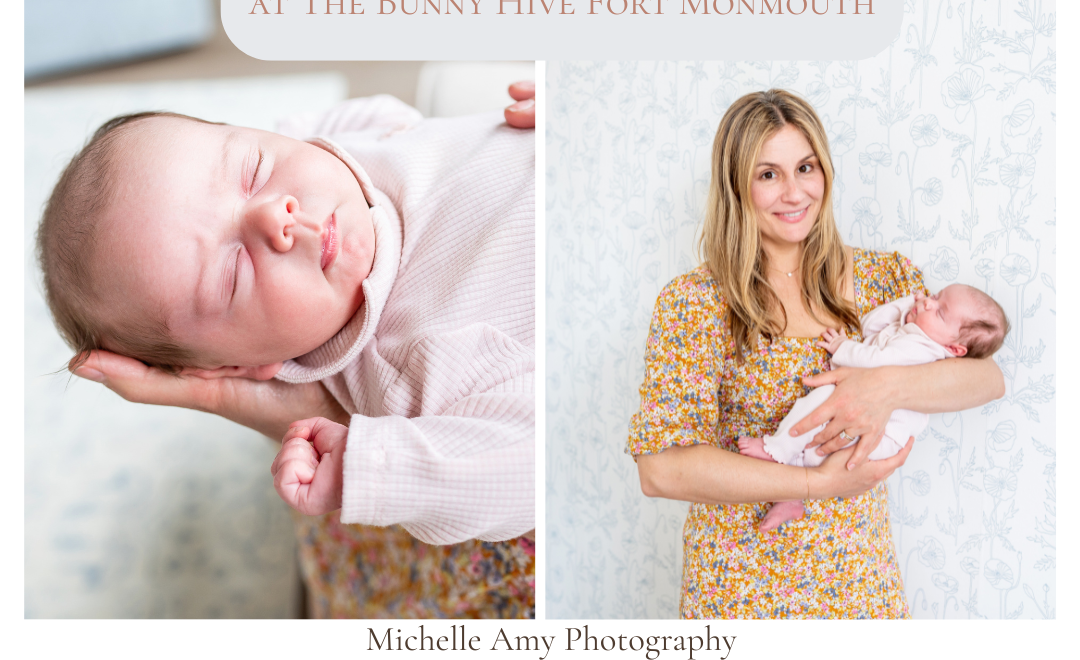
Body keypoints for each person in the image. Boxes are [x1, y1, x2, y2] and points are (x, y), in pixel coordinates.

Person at [44, 81, 537, 617]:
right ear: (241, 365)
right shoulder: (406, 373)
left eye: (251, 171)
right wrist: (369, 467)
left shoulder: (345, 142)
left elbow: (334, 128)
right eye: (232, 274)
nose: (275, 216)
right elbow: (524, 468)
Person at [626, 89, 1005, 620]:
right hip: (741, 585)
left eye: (805, 167)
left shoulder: (885, 281)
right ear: (736, 184)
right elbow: (660, 470)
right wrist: (817, 484)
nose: (794, 191)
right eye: (767, 174)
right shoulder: (695, 301)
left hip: (858, 581)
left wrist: (883, 387)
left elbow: (986, 379)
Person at [738, 283, 1009, 529]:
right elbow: (869, 327)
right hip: (874, 427)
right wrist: (908, 306)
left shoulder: (923, 349)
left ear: (956, 350)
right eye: (935, 296)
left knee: (822, 401)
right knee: (822, 428)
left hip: (885, 436)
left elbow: (874, 361)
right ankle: (791, 494)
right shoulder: (914, 332)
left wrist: (842, 346)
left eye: (939, 312)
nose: (927, 302)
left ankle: (777, 449)